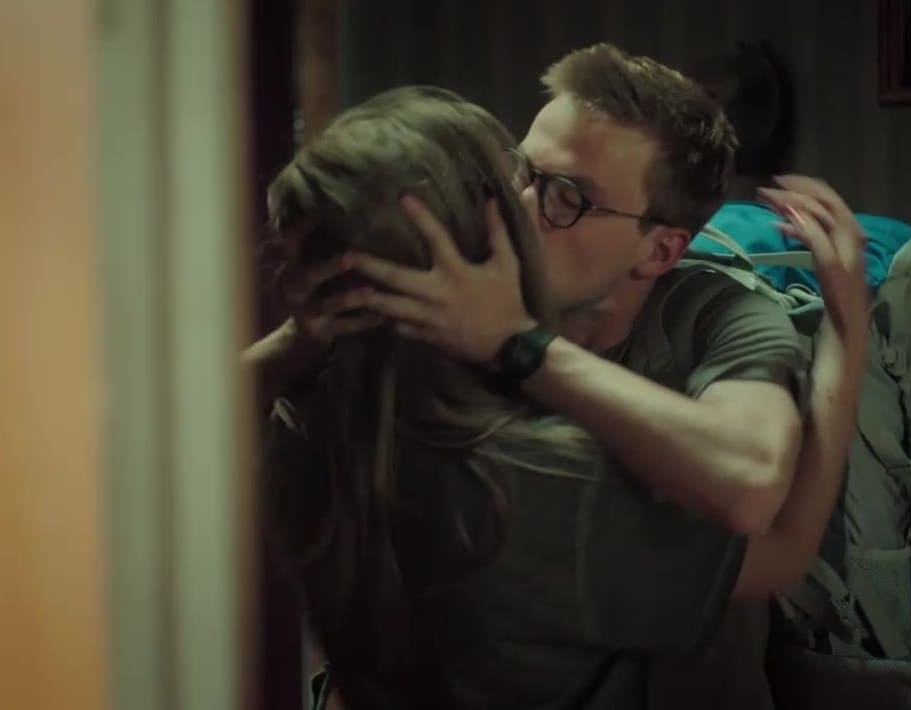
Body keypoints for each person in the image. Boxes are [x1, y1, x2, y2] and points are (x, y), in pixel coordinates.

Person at [248, 45, 870, 708]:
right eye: (520, 171)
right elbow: (778, 550)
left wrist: (519, 344)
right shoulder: (399, 387)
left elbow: (748, 484)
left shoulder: (713, 316)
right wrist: (298, 339)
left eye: (567, 197)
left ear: (660, 250)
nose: (520, 207)